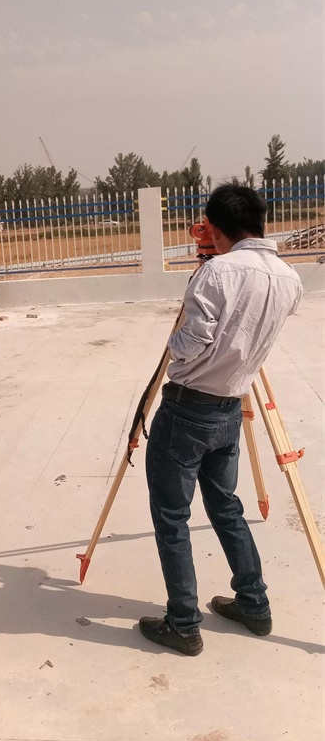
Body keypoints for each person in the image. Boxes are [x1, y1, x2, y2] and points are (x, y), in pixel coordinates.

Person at [139, 182, 303, 656]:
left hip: (187, 409)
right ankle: (254, 604)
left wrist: (174, 341)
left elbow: (190, 343)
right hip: (231, 407)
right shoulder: (288, 278)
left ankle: (183, 624)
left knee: (172, 517)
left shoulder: (216, 273)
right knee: (226, 505)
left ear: (211, 227)